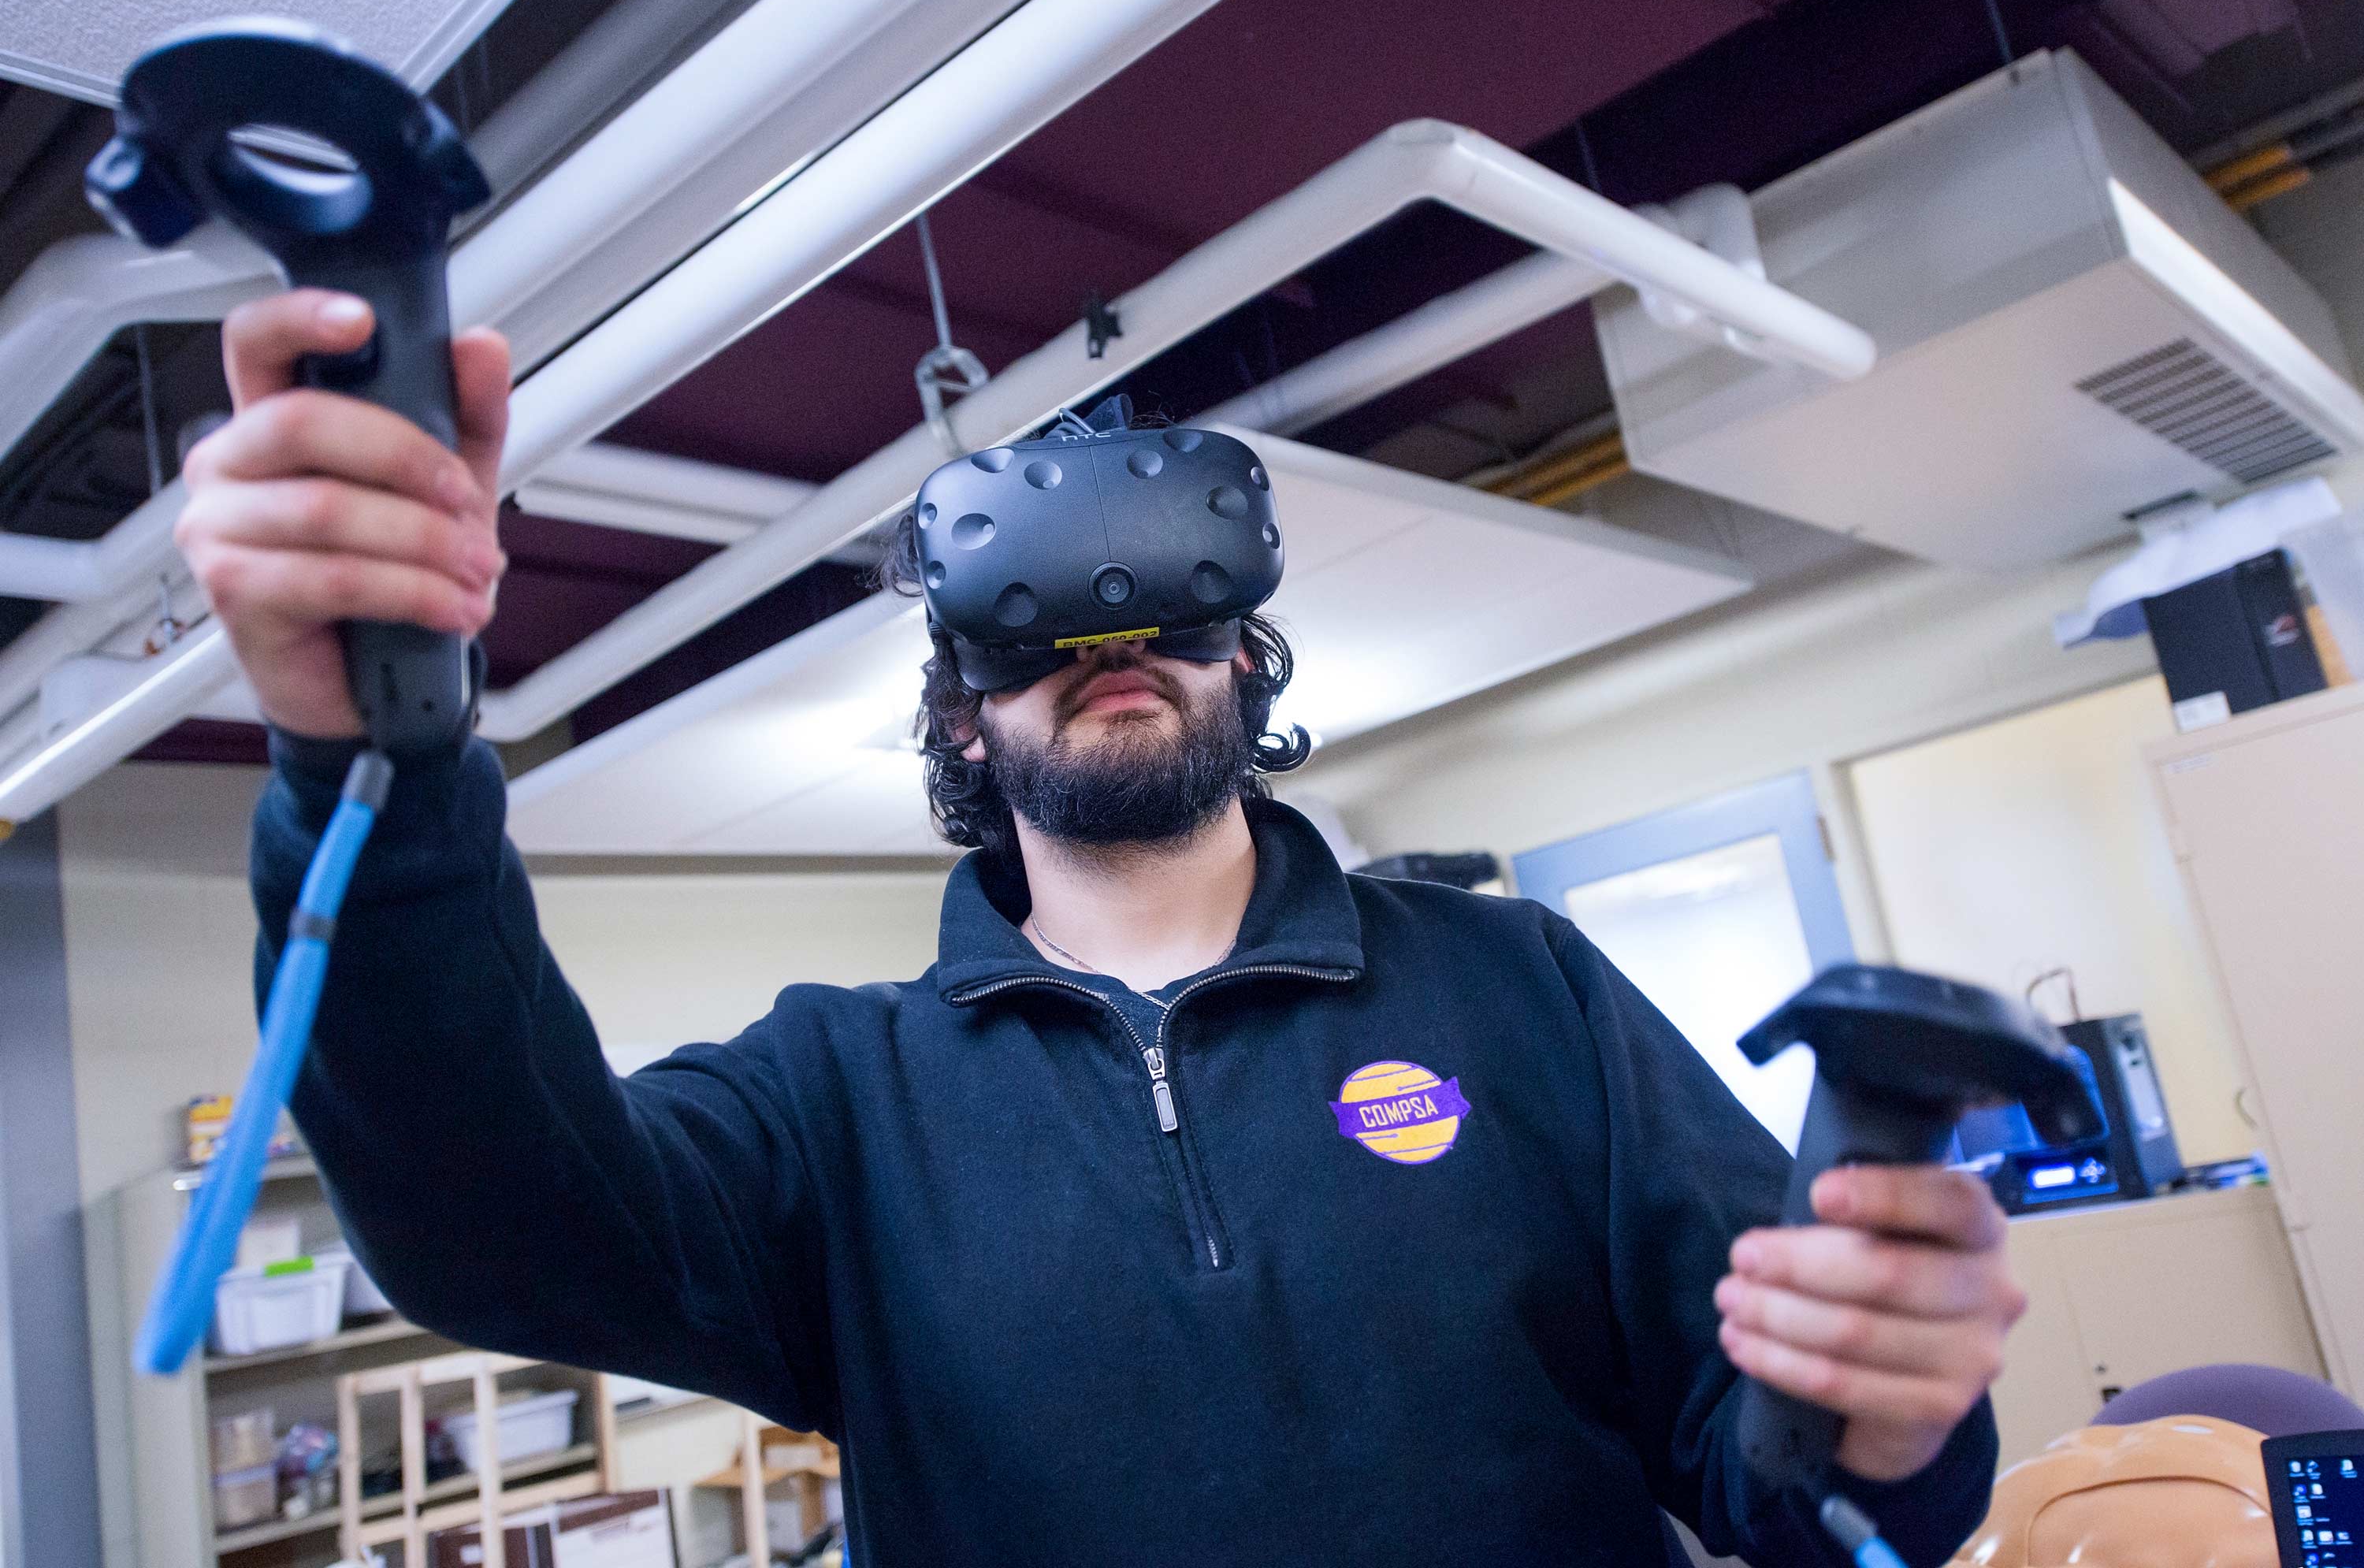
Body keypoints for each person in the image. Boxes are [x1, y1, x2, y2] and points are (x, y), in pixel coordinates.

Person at [176, 290, 2027, 1566]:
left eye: (1166, 616)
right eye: (1038, 637)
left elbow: (1782, 1483)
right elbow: (499, 1220)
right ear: (962, 714)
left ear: (1250, 653)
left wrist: (1886, 1414)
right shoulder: (837, 1097)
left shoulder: (1521, 986)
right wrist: (384, 745)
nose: (1111, 652)